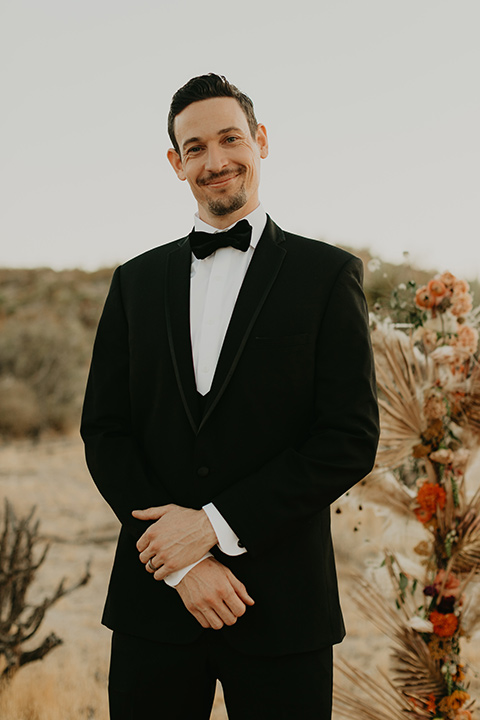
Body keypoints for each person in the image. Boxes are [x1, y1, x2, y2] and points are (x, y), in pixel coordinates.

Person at [81, 73, 379, 720]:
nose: (215, 162)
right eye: (195, 148)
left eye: (229, 139)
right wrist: (181, 564)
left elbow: (348, 438)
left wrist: (213, 526)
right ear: (175, 162)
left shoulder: (328, 276)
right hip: (154, 608)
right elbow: (105, 432)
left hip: (283, 610)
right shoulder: (134, 283)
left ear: (260, 141)